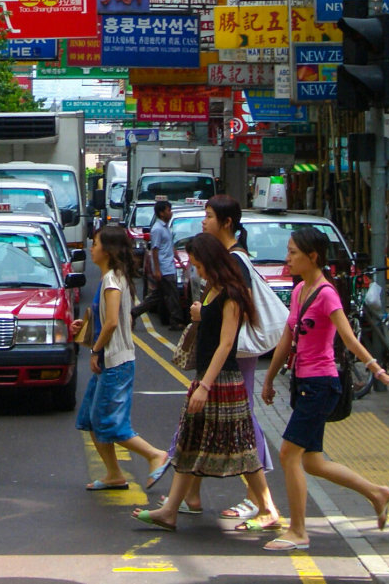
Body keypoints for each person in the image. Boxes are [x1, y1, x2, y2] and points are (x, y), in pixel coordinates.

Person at [261, 227, 389, 551]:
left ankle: (299, 531)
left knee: (289, 454)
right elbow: (288, 340)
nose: (287, 259)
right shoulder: (300, 289)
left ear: (312, 256)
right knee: (312, 462)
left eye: (293, 253)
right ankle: (378, 493)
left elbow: (348, 337)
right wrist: (270, 378)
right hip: (303, 383)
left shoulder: (327, 293)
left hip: (321, 384)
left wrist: (378, 371)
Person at [132, 233, 266, 533]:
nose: (197, 271)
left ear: (211, 262)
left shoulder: (231, 293)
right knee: (188, 442)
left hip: (222, 381)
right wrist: (200, 315)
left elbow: (226, 343)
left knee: (242, 447)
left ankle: (268, 508)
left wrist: (205, 385)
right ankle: (170, 511)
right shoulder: (213, 289)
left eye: (199, 265)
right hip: (207, 379)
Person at [161, 195, 279, 528]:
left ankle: (262, 504)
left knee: (240, 436)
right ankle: (182, 501)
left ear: (226, 222)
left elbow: (229, 336)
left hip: (228, 368)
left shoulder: (233, 268)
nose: (203, 221)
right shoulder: (222, 271)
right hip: (215, 370)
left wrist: (206, 382)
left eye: (209, 216)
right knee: (197, 435)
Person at [72, 224, 168, 491]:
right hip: (110, 361)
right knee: (91, 420)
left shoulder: (113, 280)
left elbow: (113, 322)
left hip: (116, 362)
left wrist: (95, 350)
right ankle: (114, 473)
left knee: (110, 424)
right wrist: (86, 327)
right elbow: (107, 318)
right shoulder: (111, 279)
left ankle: (154, 454)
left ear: (108, 250)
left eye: (96, 243)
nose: (91, 247)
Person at [131, 200, 184, 331]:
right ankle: (176, 321)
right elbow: (155, 250)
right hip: (165, 268)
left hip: (169, 266)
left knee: (158, 296)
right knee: (172, 295)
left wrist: (179, 259)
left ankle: (134, 312)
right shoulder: (157, 229)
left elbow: (170, 247)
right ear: (161, 213)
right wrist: (157, 270)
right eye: (168, 210)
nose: (170, 213)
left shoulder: (166, 228)